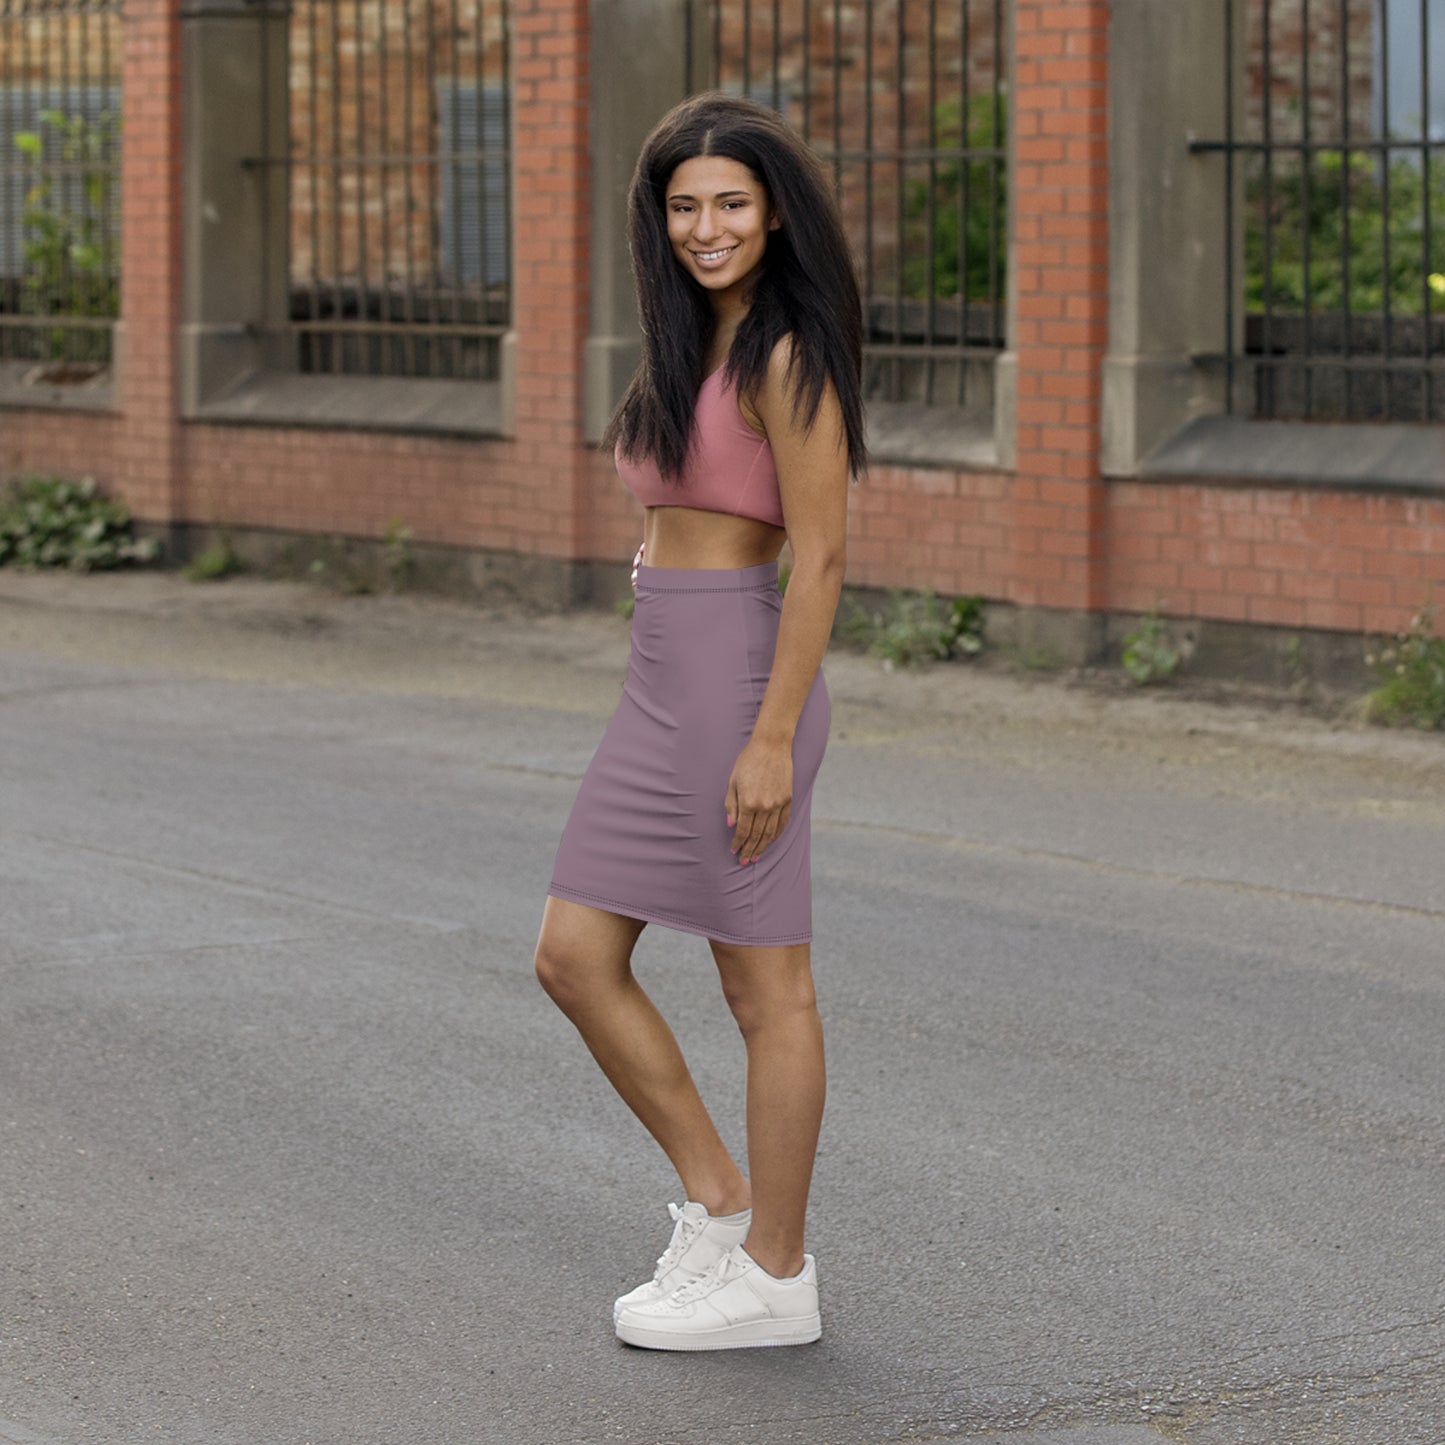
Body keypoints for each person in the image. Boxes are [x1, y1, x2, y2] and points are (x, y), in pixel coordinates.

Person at [533, 92, 866, 1352]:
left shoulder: (786, 353)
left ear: (773, 213)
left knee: (763, 984)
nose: (706, 226)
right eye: (683, 206)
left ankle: (776, 1273)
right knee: (572, 954)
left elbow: (820, 558)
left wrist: (771, 736)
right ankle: (718, 1200)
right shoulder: (688, 343)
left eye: (730, 202)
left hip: (737, 683)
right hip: (659, 678)